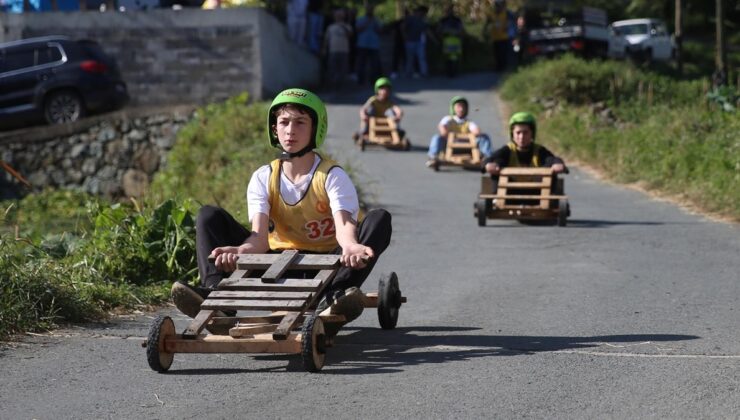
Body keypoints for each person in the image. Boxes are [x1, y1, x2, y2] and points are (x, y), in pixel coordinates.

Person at [171, 88, 393, 333]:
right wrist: (238, 250)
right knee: (208, 216)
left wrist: (351, 246)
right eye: (284, 122)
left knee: (379, 219)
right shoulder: (264, 176)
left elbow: (344, 225)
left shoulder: (332, 176)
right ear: (274, 129)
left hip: (328, 266)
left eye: (300, 122)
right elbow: (258, 237)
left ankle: (334, 298)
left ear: (315, 129)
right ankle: (216, 296)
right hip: (276, 265)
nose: (290, 130)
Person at [482, 111, 567, 194]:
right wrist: (488, 165)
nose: (521, 137)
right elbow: (491, 158)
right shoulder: (508, 149)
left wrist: (557, 164)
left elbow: (552, 159)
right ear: (512, 134)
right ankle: (496, 200)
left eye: (525, 133)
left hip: (536, 193)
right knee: (497, 162)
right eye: (518, 133)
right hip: (510, 192)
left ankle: (548, 201)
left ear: (532, 133)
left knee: (549, 169)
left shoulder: (539, 150)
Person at [426, 96, 493, 167]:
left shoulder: (469, 122)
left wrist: (476, 133)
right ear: (453, 108)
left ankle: (488, 157)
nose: (461, 109)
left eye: (463, 107)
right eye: (458, 107)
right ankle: (432, 157)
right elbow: (442, 126)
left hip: (467, 147)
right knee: (437, 137)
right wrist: (445, 132)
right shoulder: (448, 119)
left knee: (484, 137)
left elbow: (476, 131)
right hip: (449, 145)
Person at [353, 77, 405, 142]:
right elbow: (363, 109)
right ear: (377, 90)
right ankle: (363, 132)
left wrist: (398, 116)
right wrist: (363, 115)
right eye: (382, 89)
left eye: (387, 89)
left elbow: (398, 109)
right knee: (370, 109)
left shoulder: (390, 102)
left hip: (386, 122)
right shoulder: (373, 100)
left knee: (390, 111)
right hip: (372, 120)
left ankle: (397, 131)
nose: (385, 91)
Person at [323, 8, 353, 91]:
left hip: (344, 51)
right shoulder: (330, 27)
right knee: (332, 69)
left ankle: (343, 88)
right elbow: (326, 39)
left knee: (343, 70)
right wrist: (324, 49)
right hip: (333, 50)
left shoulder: (347, 26)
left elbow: (350, 35)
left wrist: (343, 25)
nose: (339, 16)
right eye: (337, 15)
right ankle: (331, 87)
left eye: (340, 15)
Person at [354, 4, 382, 85]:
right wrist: (367, 22)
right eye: (369, 9)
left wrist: (375, 24)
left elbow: (380, 30)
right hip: (362, 44)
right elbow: (358, 29)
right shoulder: (361, 19)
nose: (370, 11)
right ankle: (361, 80)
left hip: (374, 45)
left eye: (371, 9)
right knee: (361, 64)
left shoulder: (376, 20)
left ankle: (373, 81)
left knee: (374, 64)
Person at [484, 0, 514, 72]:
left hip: (504, 37)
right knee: (497, 54)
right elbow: (488, 23)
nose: (497, 7)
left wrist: (506, 27)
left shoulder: (506, 13)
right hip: (495, 38)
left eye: (499, 5)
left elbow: (510, 22)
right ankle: (498, 67)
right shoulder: (492, 14)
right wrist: (484, 31)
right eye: (496, 6)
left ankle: (505, 67)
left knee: (503, 54)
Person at [402, 6, 429, 78]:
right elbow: (403, 27)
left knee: (422, 57)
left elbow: (426, 31)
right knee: (410, 59)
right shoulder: (410, 19)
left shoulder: (422, 20)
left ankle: (424, 73)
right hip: (410, 41)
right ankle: (408, 73)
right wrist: (405, 37)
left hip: (419, 42)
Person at [438, 5, 464, 77]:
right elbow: (439, 30)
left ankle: (455, 71)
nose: (450, 12)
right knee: (447, 57)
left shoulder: (457, 20)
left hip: (456, 40)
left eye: (451, 10)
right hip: (447, 41)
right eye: (449, 10)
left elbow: (461, 30)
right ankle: (449, 72)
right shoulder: (443, 20)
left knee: (456, 57)